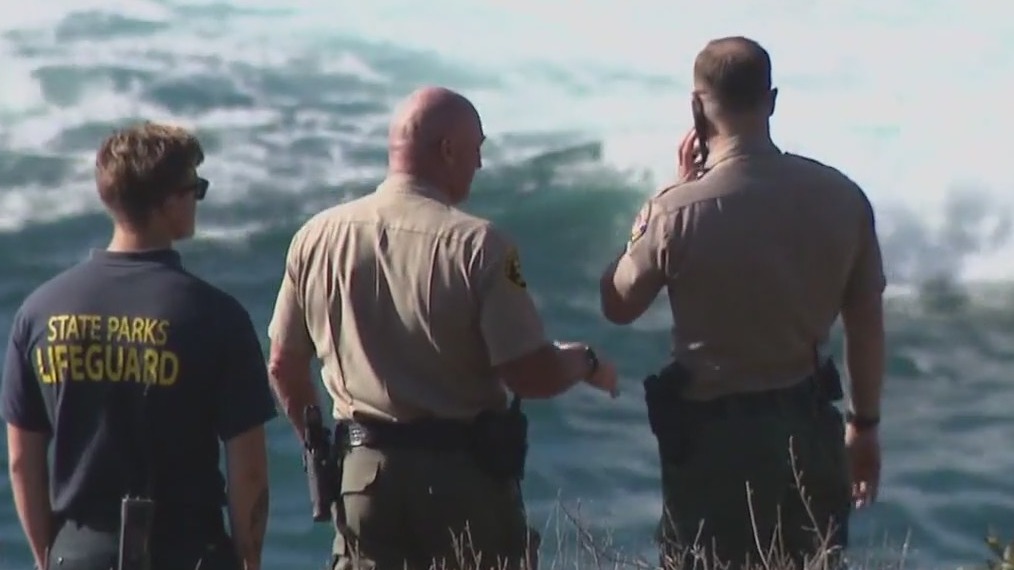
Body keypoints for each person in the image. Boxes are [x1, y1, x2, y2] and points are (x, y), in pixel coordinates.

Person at [267, 85, 619, 570]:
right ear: (448, 150)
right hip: (461, 482)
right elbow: (527, 373)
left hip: (363, 480)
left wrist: (319, 451)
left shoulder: (316, 237)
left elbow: (283, 365)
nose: (480, 164)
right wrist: (584, 362)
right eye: (477, 149)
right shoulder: (479, 245)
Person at [598, 37, 885, 569]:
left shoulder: (676, 212)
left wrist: (664, 197)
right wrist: (863, 427)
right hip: (807, 427)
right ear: (771, 100)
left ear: (697, 106)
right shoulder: (843, 197)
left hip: (714, 443)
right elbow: (866, 323)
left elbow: (617, 303)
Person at [0, 122, 277, 570]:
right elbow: (248, 470)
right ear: (168, 201)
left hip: (79, 555)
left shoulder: (38, 314)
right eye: (195, 188)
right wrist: (250, 560)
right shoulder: (217, 317)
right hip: (188, 554)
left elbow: (21, 461)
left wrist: (47, 557)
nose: (197, 199)